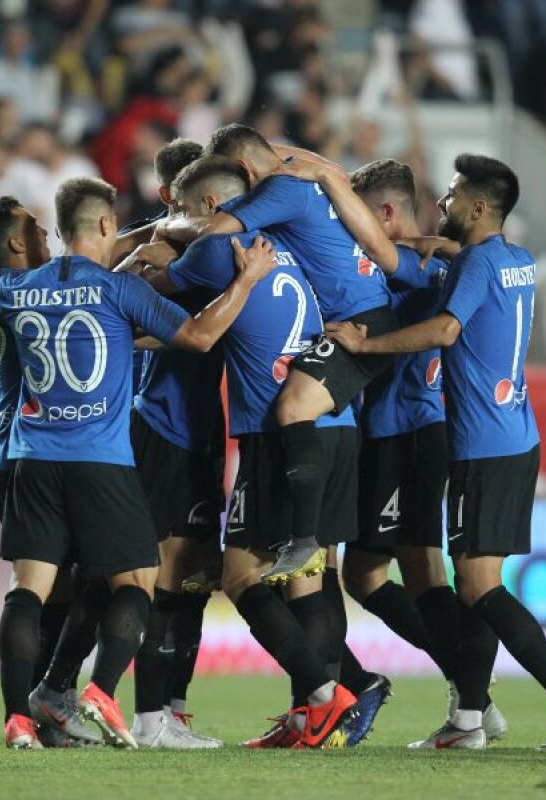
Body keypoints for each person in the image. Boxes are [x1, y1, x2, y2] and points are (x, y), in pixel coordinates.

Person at [0, 177, 278, 750]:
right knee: (136, 581)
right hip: (101, 460)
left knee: (28, 591)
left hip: (31, 460)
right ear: (104, 226)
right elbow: (197, 336)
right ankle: (99, 688)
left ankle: (19, 719)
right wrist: (246, 280)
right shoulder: (120, 291)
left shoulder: (15, 289)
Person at [326, 153, 546, 751]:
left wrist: (366, 344)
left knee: (472, 586)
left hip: (469, 440)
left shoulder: (467, 266)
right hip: (511, 434)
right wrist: (435, 243)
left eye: (452, 196)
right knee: (463, 580)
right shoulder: (514, 260)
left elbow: (443, 323)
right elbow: (449, 265)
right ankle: (472, 714)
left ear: (477, 207)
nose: (444, 203)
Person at [130, 154, 362, 749]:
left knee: (234, 576)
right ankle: (316, 713)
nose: (177, 220)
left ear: (209, 208)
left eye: (185, 210)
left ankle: (322, 696)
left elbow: (139, 299)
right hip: (332, 421)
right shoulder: (288, 245)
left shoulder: (215, 252)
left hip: (270, 433)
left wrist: (156, 248)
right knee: (308, 573)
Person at [280, 156, 511, 747]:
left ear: (382, 213)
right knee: (377, 571)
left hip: (408, 432)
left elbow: (399, 270)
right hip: (401, 432)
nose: (346, 224)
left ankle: (474, 699)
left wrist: (318, 173)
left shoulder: (414, 267)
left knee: (414, 571)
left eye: (354, 213)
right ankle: (472, 695)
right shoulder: (441, 261)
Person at [159, 123, 394, 583]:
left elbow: (214, 227)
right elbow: (316, 166)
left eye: (240, 183)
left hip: (362, 325)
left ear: (246, 170)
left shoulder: (281, 191)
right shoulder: (312, 181)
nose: (241, 196)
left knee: (292, 406)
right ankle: (304, 541)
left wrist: (166, 221)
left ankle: (303, 540)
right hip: (359, 318)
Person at [0, 196, 102, 748]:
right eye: (37, 230)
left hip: (1, 456)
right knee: (84, 581)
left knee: (46, 588)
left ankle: (30, 714)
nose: (49, 237)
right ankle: (46, 701)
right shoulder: (34, 292)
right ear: (17, 244)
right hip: (35, 455)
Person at [113, 138, 225, 750]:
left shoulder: (207, 254)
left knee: (197, 576)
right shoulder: (149, 252)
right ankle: (150, 715)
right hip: (162, 426)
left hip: (202, 428)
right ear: (170, 199)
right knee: (163, 572)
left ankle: (173, 711)